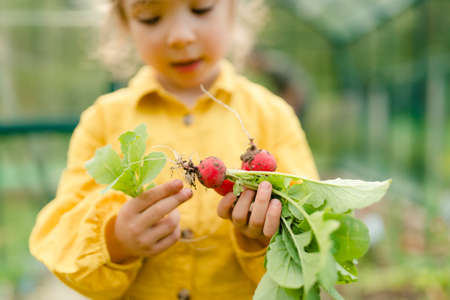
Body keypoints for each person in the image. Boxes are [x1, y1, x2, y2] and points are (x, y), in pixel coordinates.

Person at [29, 0, 319, 299]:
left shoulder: (272, 116)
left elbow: (312, 240)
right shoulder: (102, 121)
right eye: (151, 18)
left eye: (201, 9)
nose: (179, 36)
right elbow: (63, 239)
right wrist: (116, 240)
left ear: (234, 8)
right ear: (125, 23)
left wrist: (265, 239)